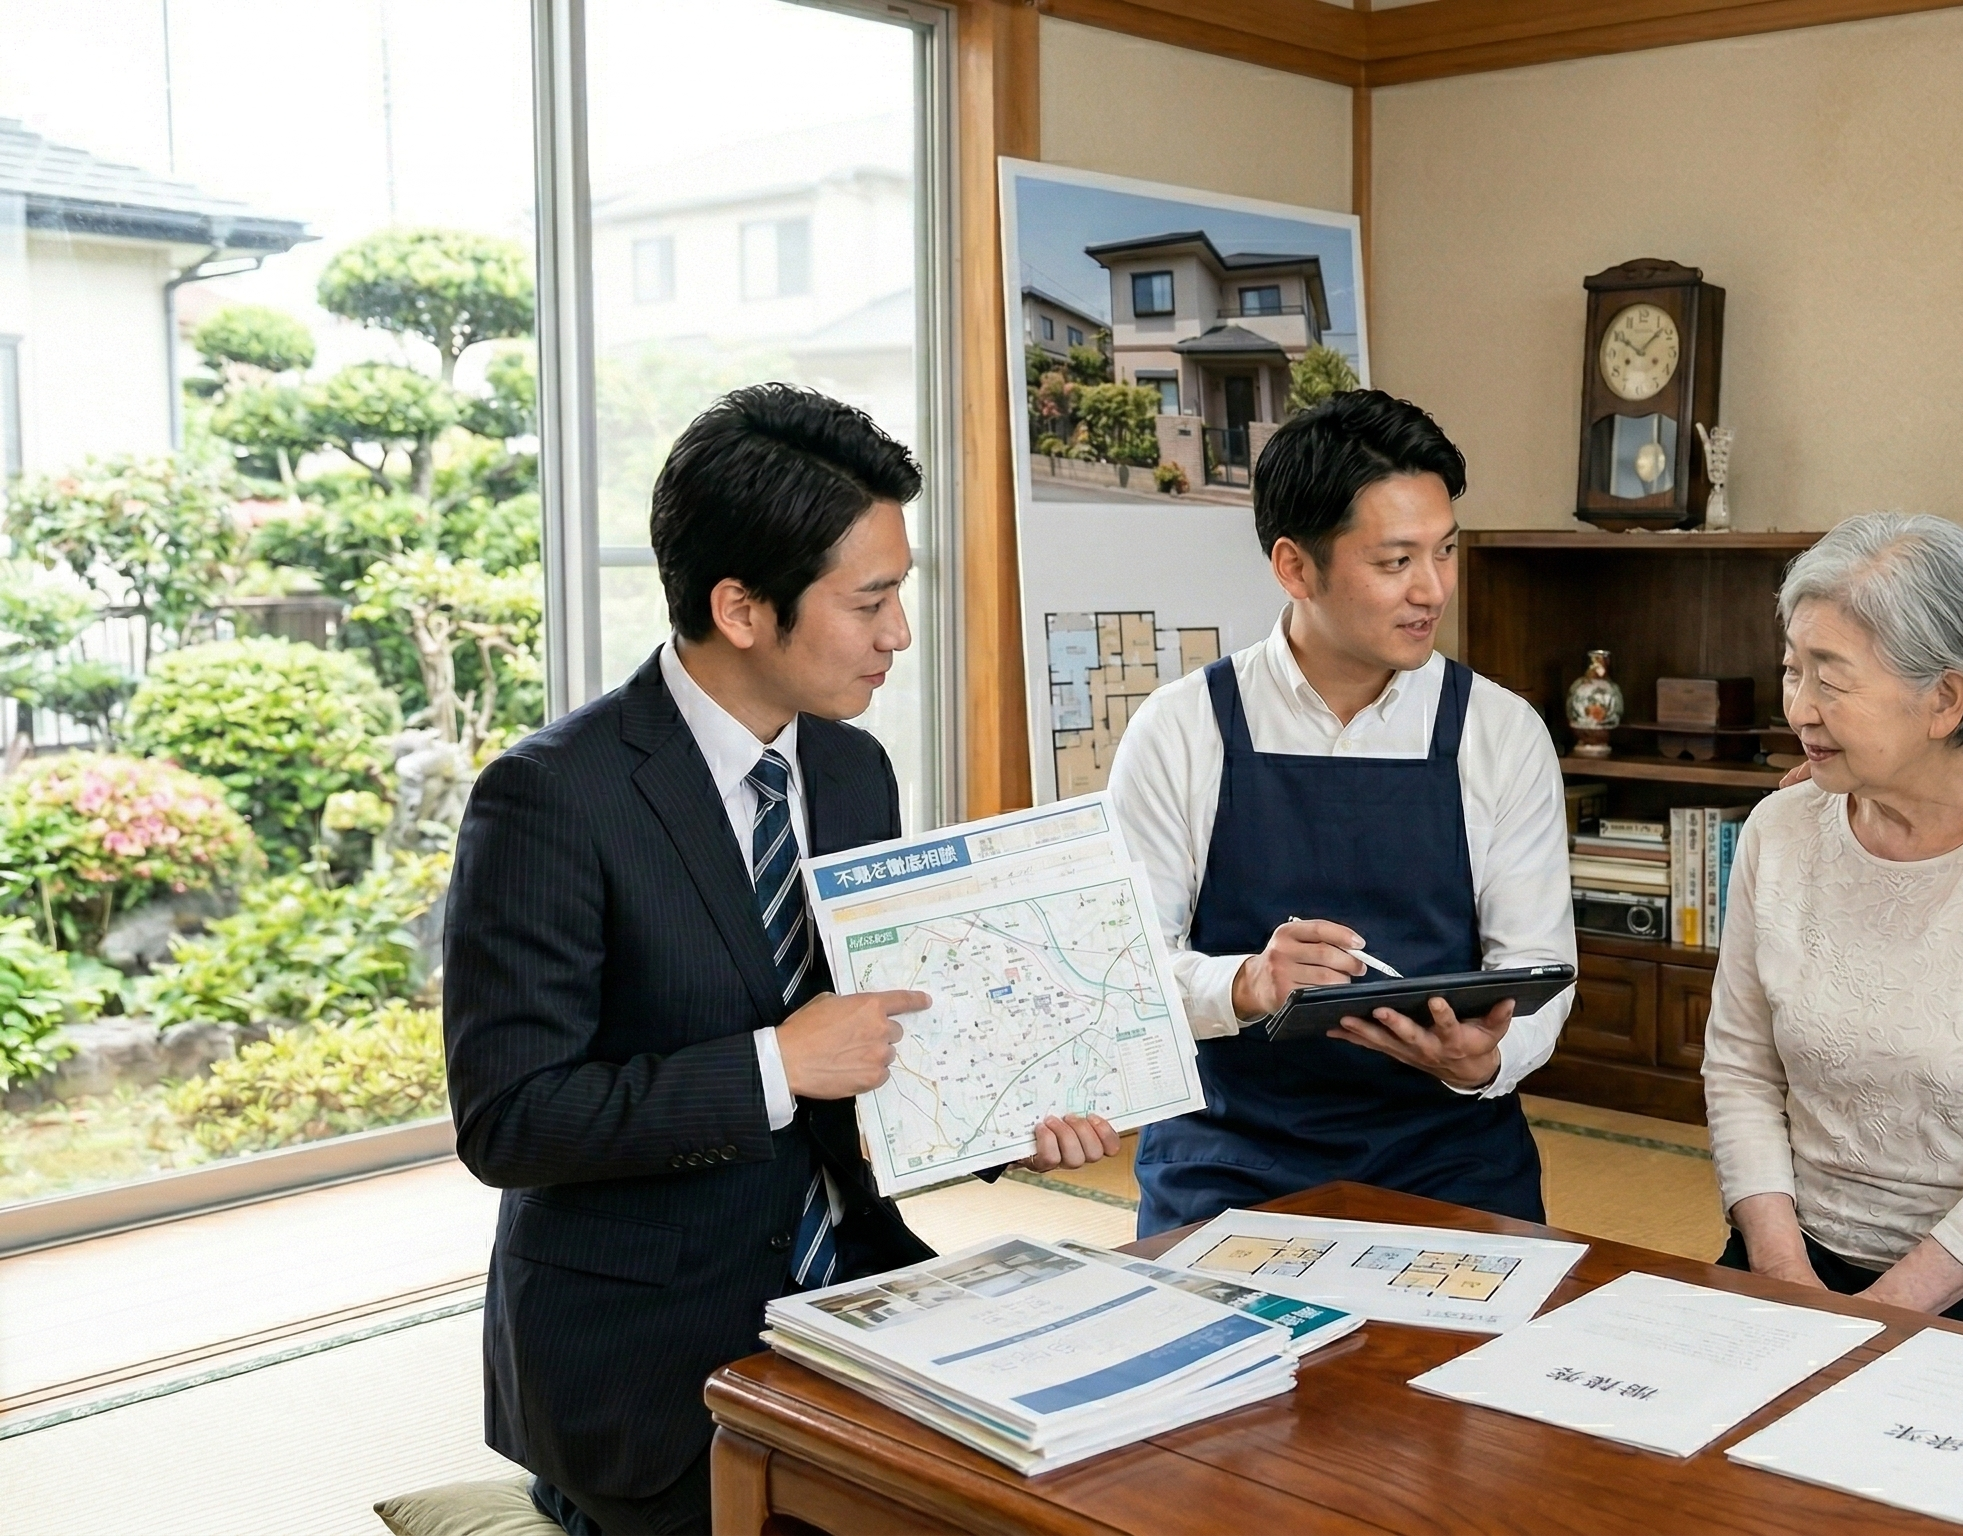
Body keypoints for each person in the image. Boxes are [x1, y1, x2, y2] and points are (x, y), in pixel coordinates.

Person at [444, 384, 1117, 1536]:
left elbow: (876, 1054)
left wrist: (1007, 1110)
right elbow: (508, 1121)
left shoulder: (851, 770)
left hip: (856, 1287)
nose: (898, 634)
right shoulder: (553, 797)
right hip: (644, 1353)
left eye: (899, 593)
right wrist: (774, 1063)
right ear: (740, 608)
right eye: (871, 602)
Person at [1110, 389, 1575, 1237]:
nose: (1431, 590)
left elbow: (1539, 963)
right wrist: (1249, 981)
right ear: (1295, 567)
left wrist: (1486, 1060)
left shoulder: (1501, 732)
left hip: (1450, 1146)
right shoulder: (1179, 729)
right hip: (1228, 1152)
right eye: (1395, 561)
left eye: (1445, 551)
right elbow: (1129, 977)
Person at [1703, 513, 1963, 1351]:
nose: (1798, 707)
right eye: (1792, 670)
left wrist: (1875, 1316)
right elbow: (1741, 1067)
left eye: (1831, 679)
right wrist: (1784, 1271)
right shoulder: (1778, 830)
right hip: (1802, 1250)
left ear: (1945, 699)